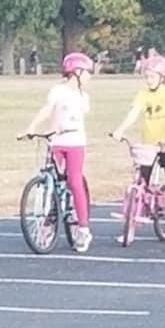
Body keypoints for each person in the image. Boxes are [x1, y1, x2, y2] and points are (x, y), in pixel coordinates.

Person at [18, 51, 95, 252]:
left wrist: (65, 127)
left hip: (75, 142)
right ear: (76, 72)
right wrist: (32, 127)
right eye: (87, 73)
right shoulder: (58, 91)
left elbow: (75, 119)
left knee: (75, 181)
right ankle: (49, 220)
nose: (89, 77)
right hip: (57, 142)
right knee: (52, 179)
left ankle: (83, 228)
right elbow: (48, 109)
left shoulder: (82, 96)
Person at [110, 52, 165, 246]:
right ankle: (130, 231)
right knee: (140, 185)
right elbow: (133, 114)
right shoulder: (142, 95)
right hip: (148, 146)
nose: (149, 80)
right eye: (147, 76)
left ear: (163, 77)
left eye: (152, 76)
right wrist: (120, 130)